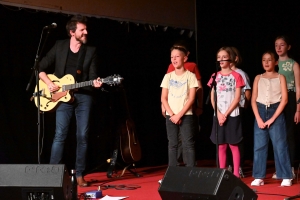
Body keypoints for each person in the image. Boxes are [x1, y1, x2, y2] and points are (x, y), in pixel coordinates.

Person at [38, 14, 102, 187]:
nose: (86, 32)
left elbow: (94, 76)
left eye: (86, 29)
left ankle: (80, 174)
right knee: (60, 135)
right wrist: (50, 84)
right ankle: (52, 174)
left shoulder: (91, 51)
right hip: (62, 97)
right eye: (82, 30)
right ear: (72, 32)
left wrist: (96, 83)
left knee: (82, 135)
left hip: (84, 96)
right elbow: (41, 68)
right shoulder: (60, 46)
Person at [251, 51, 293, 186]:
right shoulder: (258, 77)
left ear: (275, 62)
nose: (266, 62)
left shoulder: (281, 77)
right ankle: (259, 176)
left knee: (280, 145)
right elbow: (253, 100)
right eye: (264, 60)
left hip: (276, 111)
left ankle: (286, 175)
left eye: (269, 60)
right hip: (261, 110)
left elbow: (285, 100)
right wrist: (258, 118)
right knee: (259, 145)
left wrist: (273, 118)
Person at [161, 41, 203, 165]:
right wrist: (171, 114)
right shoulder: (168, 76)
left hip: (186, 115)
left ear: (184, 58)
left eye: (177, 56)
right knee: (172, 144)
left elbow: (191, 98)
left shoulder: (190, 76)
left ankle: (190, 173)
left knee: (188, 144)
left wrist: (179, 115)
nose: (174, 59)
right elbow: (164, 97)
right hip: (171, 115)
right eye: (172, 57)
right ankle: (172, 173)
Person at [207, 46, 245, 178]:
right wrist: (218, 113)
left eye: (224, 57)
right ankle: (222, 174)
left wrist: (226, 113)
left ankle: (236, 174)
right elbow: (212, 96)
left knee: (233, 145)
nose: (221, 60)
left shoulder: (237, 76)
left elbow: (237, 98)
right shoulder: (215, 76)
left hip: (232, 115)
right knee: (221, 145)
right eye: (219, 58)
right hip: (218, 115)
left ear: (230, 59)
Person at [272, 35, 300, 179]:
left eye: (282, 45)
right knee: (278, 135)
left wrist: (298, 108)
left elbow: (298, 87)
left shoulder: (293, 64)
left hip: (289, 99)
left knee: (289, 135)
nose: (278, 48)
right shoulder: (273, 63)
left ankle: (290, 168)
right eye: (276, 45)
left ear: (288, 47)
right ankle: (280, 168)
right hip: (276, 100)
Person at [226, 47, 251, 178]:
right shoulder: (222, 73)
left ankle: (239, 166)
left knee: (237, 139)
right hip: (225, 109)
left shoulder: (240, 74)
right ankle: (229, 165)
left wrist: (244, 106)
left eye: (229, 56)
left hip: (237, 108)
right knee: (227, 139)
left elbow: (247, 92)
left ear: (235, 58)